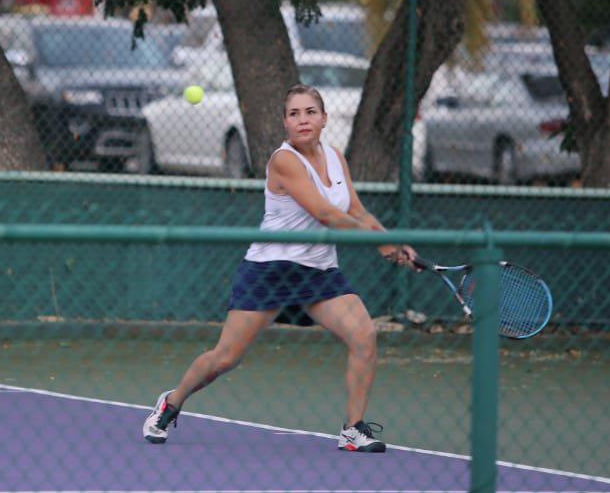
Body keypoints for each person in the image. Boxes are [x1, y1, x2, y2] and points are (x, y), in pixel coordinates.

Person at [142, 83, 417, 452]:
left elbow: (355, 210)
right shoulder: (284, 161)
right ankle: (171, 402)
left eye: (310, 112)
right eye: (294, 114)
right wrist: (377, 243)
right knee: (226, 357)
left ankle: (353, 429)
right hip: (271, 270)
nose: (302, 120)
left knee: (365, 336)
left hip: (319, 271)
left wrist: (392, 240)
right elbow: (324, 212)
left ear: (324, 119)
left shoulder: (335, 157)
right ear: (285, 124)